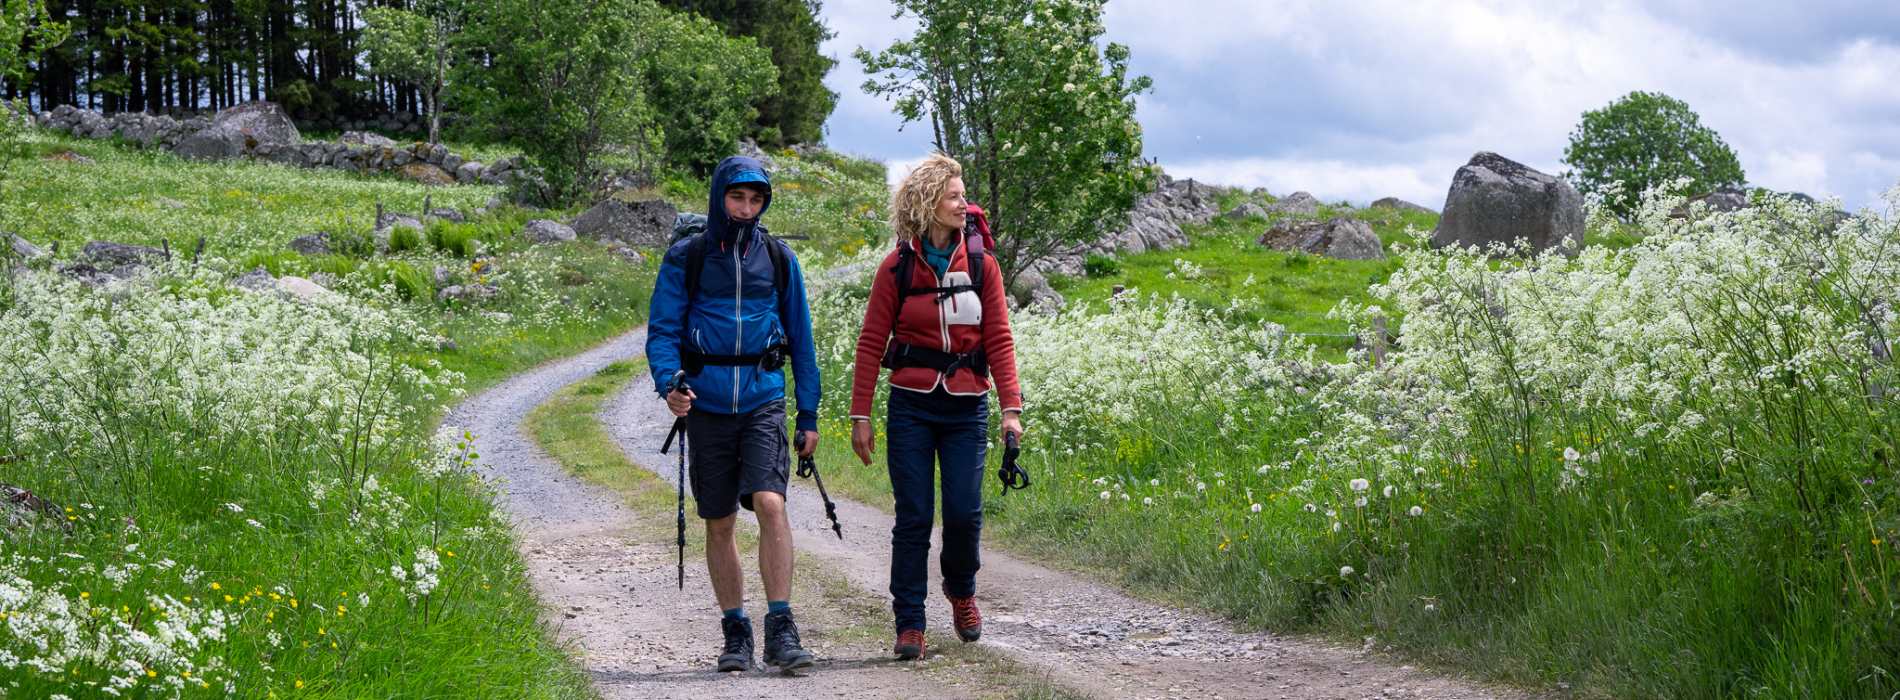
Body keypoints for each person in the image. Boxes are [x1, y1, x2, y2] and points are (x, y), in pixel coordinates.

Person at [647, 155, 821, 672]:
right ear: (720, 196)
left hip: (764, 399)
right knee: (719, 519)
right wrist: (671, 383)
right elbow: (663, 331)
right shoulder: (689, 256)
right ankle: (736, 631)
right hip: (706, 404)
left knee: (770, 502)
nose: (746, 208)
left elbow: (802, 341)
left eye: (756, 199)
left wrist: (808, 414)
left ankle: (781, 627)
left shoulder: (779, 258)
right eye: (737, 197)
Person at [848, 153, 1024, 661]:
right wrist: (861, 416)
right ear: (927, 204)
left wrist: (1010, 408)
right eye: (953, 196)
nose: (964, 204)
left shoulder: (983, 265)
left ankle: (961, 590)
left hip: (967, 407)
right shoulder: (897, 268)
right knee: (914, 518)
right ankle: (910, 623)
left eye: (963, 195)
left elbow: (1000, 339)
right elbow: (870, 342)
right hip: (911, 407)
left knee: (964, 514)